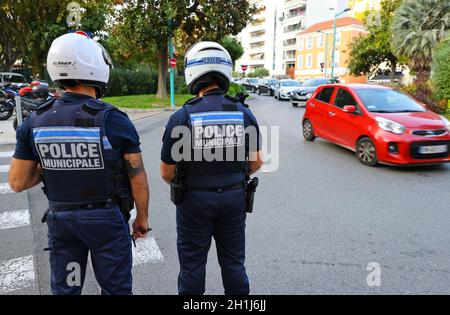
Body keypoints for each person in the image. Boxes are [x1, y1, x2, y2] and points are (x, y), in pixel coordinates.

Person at [8, 31, 150, 295]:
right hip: (105, 221)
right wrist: (141, 218)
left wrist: (55, 160)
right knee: (115, 289)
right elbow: (137, 178)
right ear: (96, 67)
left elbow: (17, 182)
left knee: (67, 290)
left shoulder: (34, 122)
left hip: (62, 223)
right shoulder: (114, 119)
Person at [160, 41, 263, 295]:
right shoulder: (243, 113)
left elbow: (166, 172)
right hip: (234, 198)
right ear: (225, 71)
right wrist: (235, 175)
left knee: (193, 267)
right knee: (234, 264)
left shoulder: (183, 116)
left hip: (194, 201)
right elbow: (257, 161)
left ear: (193, 73)